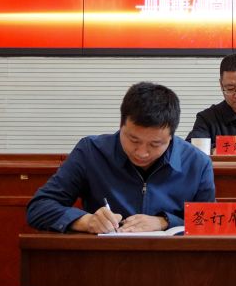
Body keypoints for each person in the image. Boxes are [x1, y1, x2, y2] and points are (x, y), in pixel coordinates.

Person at [27, 82, 215, 233]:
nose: (141, 152)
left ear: (171, 136)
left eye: (155, 144)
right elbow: (39, 207)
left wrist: (164, 222)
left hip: (172, 263)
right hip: (104, 260)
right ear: (121, 124)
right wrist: (87, 221)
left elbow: (211, 221)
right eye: (133, 140)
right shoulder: (91, 152)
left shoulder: (197, 163)